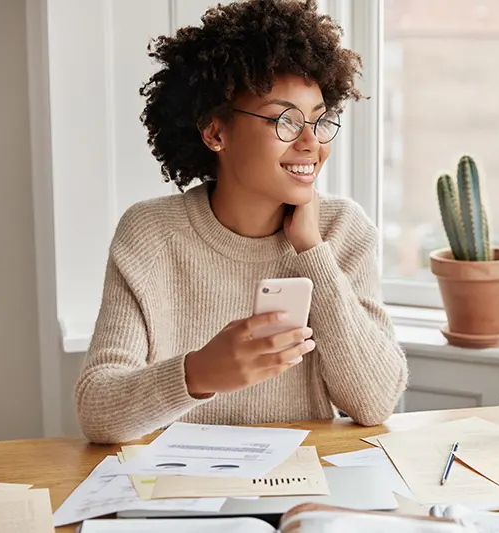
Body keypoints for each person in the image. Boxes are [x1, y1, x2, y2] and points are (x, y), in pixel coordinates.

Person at [75, 0, 408, 444]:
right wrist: (200, 373)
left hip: (301, 491)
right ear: (216, 133)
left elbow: (376, 402)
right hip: (180, 494)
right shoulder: (151, 233)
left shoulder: (342, 230)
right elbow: (98, 412)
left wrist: (312, 252)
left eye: (319, 119)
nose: (311, 143)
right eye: (284, 121)